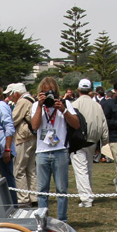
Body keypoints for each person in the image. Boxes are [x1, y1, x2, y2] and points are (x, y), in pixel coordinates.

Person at [29, 76, 80, 221]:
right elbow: (34, 126)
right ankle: (43, 220)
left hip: (60, 150)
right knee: (42, 190)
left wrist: (63, 110)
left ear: (56, 92)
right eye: (45, 93)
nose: (49, 96)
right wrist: (40, 105)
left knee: (62, 190)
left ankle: (62, 220)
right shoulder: (36, 106)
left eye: (51, 92)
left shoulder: (65, 104)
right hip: (42, 152)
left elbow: (76, 125)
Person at [71, 78, 109, 207]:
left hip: (78, 141)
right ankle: (88, 195)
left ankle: (86, 198)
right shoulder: (97, 105)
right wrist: (104, 142)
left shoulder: (75, 104)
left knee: (81, 170)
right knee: (88, 169)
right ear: (91, 90)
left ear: (78, 90)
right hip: (93, 141)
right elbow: (104, 125)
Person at [7, 83, 36, 206]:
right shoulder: (31, 99)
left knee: (19, 170)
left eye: (10, 94)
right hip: (32, 137)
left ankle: (23, 198)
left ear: (16, 93)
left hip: (23, 137)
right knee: (31, 169)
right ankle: (34, 196)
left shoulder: (23, 102)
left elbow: (13, 119)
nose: (10, 97)